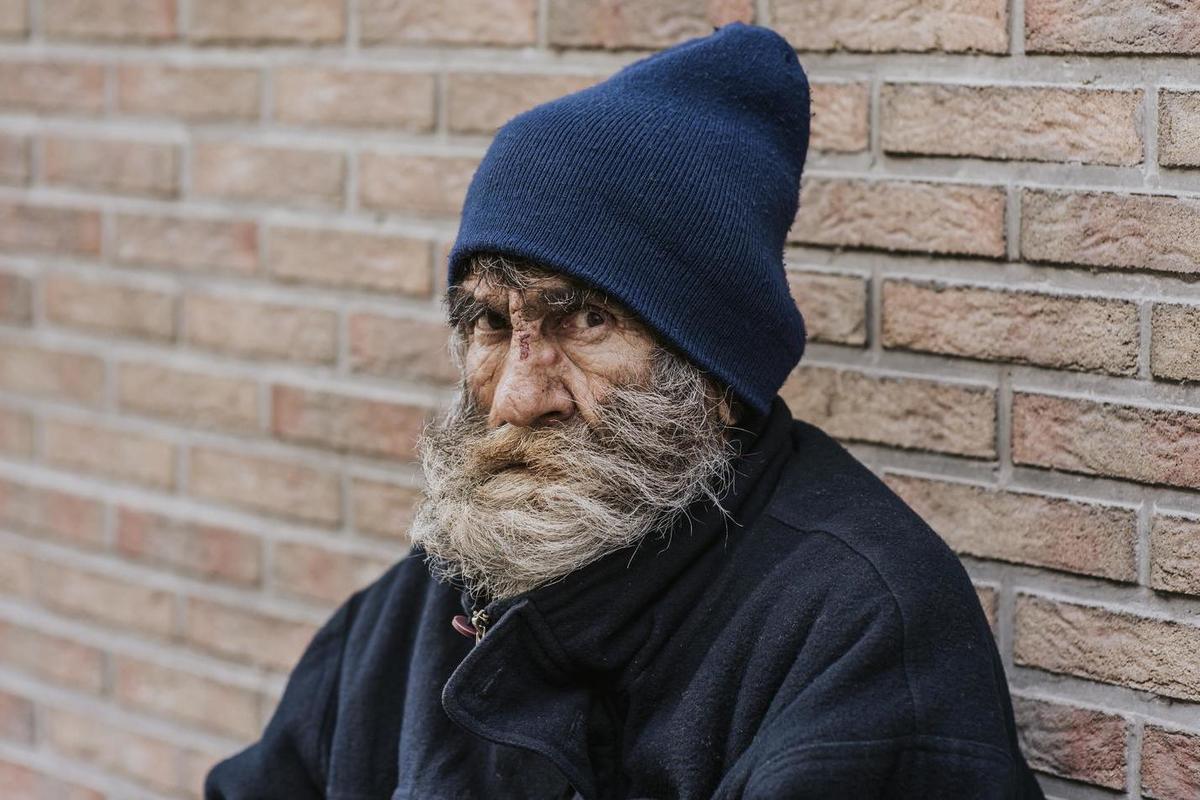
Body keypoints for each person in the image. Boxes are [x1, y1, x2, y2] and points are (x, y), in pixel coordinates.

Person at [205, 21, 1045, 800]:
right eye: (492, 325)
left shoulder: (853, 628)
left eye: (585, 322)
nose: (515, 399)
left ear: (714, 371)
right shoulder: (434, 599)